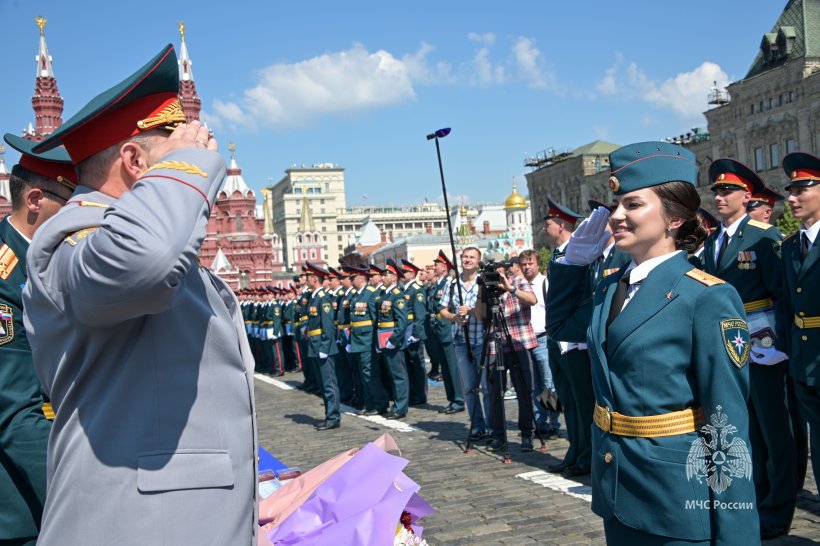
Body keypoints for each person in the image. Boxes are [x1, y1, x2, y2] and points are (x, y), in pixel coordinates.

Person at [23, 45, 258, 545]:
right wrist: (189, 166)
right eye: (178, 150)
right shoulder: (75, 237)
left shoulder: (151, 236)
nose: (202, 155)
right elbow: (145, 261)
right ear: (134, 161)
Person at [547, 141, 758, 545]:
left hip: (673, 496)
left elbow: (727, 425)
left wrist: (737, 537)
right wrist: (571, 265)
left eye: (633, 204)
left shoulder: (706, 296)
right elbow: (560, 328)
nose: (616, 215)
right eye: (616, 204)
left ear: (674, 217)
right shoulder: (611, 288)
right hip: (615, 488)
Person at [704, 159, 794, 539]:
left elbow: (782, 294)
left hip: (763, 343)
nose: (720, 197)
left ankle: (779, 508)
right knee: (747, 429)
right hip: (728, 345)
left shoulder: (763, 236)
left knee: (775, 431)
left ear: (747, 196)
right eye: (717, 191)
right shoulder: (712, 242)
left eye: (728, 190)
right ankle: (757, 498)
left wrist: (781, 343)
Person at [0, 134, 75, 546]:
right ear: (34, 200)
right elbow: (15, 412)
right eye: (71, 202)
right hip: (26, 502)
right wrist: (79, 498)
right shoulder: (5, 277)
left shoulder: (46, 262)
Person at [542, 197, 594, 476]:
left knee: (583, 402)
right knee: (568, 401)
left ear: (561, 225)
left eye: (548, 223)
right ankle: (574, 450)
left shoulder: (580, 254)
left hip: (575, 341)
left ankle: (587, 455)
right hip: (558, 340)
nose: (544, 228)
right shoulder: (558, 255)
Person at [781, 152, 820, 496]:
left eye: (801, 190)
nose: (792, 198)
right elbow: (787, 303)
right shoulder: (791, 245)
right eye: (790, 191)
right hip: (803, 361)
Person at [476, 260, 538, 453]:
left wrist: (509, 288)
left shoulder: (517, 281)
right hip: (495, 346)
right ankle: (498, 436)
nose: (495, 273)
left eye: (498, 269)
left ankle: (527, 434)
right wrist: (481, 290)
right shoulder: (486, 287)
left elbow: (532, 300)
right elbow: (480, 315)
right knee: (495, 393)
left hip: (519, 342)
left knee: (524, 391)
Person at [439, 247, 489, 441]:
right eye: (465, 257)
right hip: (461, 340)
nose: (468, 260)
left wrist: (471, 311)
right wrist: (454, 318)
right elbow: (443, 310)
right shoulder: (452, 284)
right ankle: (477, 425)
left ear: (478, 261)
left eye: (472, 257)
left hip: (481, 339)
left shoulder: (482, 282)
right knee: (469, 387)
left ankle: (492, 427)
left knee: (487, 387)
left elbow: (486, 312)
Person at [518, 249, 560, 437]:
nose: (527, 267)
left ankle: (554, 422)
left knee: (549, 384)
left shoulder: (545, 283)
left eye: (530, 263)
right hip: (525, 340)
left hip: (543, 337)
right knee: (534, 385)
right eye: (524, 264)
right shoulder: (518, 285)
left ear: (537, 264)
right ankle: (540, 423)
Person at [344, 263, 389, 416]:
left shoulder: (370, 294)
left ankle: (380, 404)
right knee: (364, 374)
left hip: (368, 341)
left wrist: (377, 342)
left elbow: (376, 320)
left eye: (353, 278)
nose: (350, 281)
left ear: (361, 279)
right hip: (358, 341)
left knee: (371, 374)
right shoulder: (356, 295)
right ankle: (369, 404)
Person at [303, 262, 341, 430]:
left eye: (308, 277)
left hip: (323, 346)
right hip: (315, 344)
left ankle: (333, 417)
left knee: (329, 383)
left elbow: (328, 326)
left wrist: (325, 347)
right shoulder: (314, 297)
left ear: (314, 279)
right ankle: (329, 415)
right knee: (322, 384)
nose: (306, 280)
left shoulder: (323, 298)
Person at [428, 250, 464, 414]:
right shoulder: (437, 284)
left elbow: (451, 307)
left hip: (447, 327)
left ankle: (459, 399)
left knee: (452, 366)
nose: (434, 267)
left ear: (444, 267)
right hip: (438, 328)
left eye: (437, 265)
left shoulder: (450, 284)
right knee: (445, 367)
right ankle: (452, 399)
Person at [400, 259, 428, 406]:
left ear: (412, 274)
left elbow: (420, 314)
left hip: (412, 331)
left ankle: (420, 394)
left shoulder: (416, 289)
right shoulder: (404, 289)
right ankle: (412, 392)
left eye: (404, 272)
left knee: (417, 364)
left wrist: (416, 334)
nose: (402, 274)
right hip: (405, 331)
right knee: (409, 364)